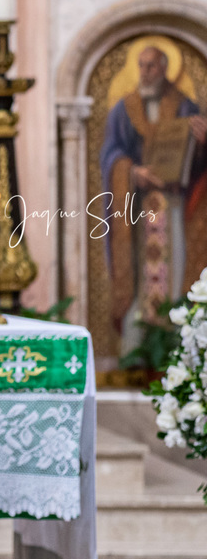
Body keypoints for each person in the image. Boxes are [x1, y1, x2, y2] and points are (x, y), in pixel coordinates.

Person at [100, 44, 207, 350]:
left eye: (152, 66)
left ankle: (174, 345)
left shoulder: (185, 107)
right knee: (141, 276)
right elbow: (111, 154)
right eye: (142, 66)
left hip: (174, 208)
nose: (146, 73)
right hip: (137, 210)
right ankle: (136, 349)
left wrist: (201, 143)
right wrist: (132, 172)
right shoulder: (124, 109)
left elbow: (198, 165)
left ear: (165, 69)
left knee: (173, 271)